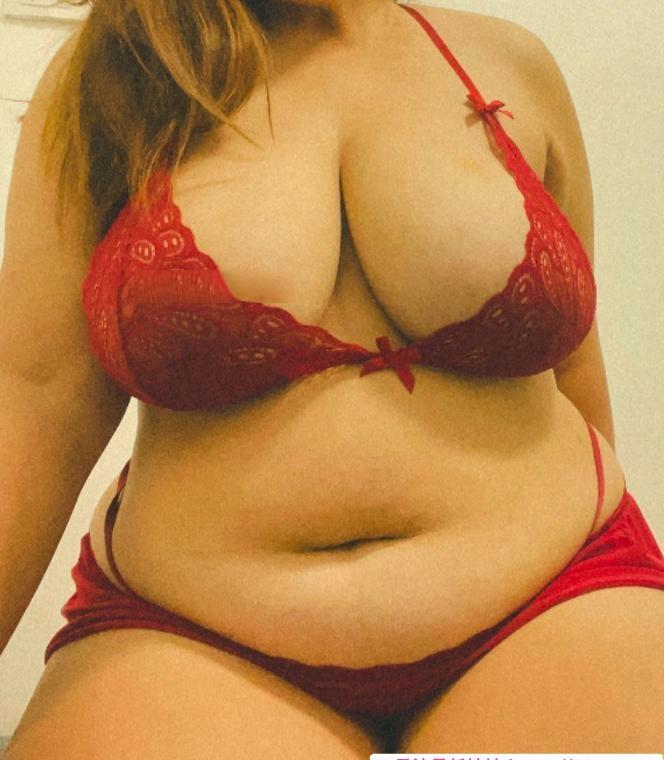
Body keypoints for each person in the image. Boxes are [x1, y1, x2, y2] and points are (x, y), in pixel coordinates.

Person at [2, 0, 664, 755]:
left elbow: (571, 359)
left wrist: (611, 579)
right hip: (191, 631)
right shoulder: (120, 74)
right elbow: (36, 396)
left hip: (552, 593)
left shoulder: (512, 61)